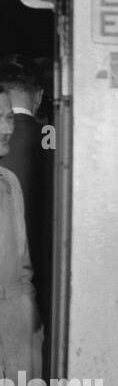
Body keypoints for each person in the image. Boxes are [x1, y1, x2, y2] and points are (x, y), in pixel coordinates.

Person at [0, 58, 49, 327]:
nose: (8, 128)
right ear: (39, 95)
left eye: (8, 118)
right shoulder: (54, 138)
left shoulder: (10, 180)